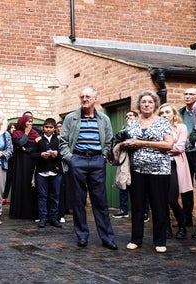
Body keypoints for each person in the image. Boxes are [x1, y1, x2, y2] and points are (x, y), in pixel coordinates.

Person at [59, 86, 117, 250]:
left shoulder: (104, 119)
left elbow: (109, 141)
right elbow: (63, 141)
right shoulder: (71, 118)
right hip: (77, 160)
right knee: (78, 201)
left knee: (100, 201)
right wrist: (71, 159)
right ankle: (82, 236)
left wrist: (104, 157)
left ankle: (107, 238)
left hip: (97, 161)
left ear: (95, 99)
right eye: (82, 97)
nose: (84, 99)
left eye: (88, 97)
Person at [121, 90, 173, 253]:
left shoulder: (163, 122)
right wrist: (125, 144)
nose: (147, 104)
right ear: (139, 105)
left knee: (159, 206)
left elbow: (168, 145)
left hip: (159, 171)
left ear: (155, 105)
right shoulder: (132, 123)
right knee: (137, 206)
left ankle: (160, 241)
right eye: (144, 102)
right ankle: (136, 239)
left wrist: (143, 143)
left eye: (150, 102)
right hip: (137, 170)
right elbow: (127, 141)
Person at [158, 103, 191, 239]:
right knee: (162, 199)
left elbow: (179, 148)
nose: (165, 115)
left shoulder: (181, 127)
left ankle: (182, 226)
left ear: (173, 114)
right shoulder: (157, 128)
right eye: (162, 113)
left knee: (172, 198)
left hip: (174, 164)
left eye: (167, 112)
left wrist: (161, 147)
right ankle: (167, 228)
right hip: (160, 165)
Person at [9, 113, 41, 220]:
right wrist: (26, 134)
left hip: (31, 163)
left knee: (29, 185)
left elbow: (37, 147)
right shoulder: (17, 133)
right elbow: (20, 142)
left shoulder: (35, 133)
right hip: (20, 163)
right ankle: (18, 212)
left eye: (31, 122)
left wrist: (26, 149)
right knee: (20, 184)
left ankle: (29, 212)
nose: (30, 124)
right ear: (23, 122)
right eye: (28, 121)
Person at [178, 87, 196, 227]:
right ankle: (187, 219)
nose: (187, 96)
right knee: (186, 187)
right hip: (184, 154)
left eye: (191, 94)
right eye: (185, 93)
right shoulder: (180, 113)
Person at [36, 118, 63, 228]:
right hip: (42, 172)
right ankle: (43, 217)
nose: (48, 129)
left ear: (54, 128)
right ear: (43, 128)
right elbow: (32, 154)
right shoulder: (39, 141)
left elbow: (65, 154)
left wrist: (57, 153)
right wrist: (40, 155)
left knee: (55, 195)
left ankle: (54, 218)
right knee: (42, 195)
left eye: (51, 127)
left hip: (56, 171)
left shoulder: (59, 141)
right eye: (46, 127)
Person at [112, 110, 138, 219]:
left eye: (131, 115)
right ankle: (123, 210)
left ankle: (143, 213)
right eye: (126, 116)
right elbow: (117, 143)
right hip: (125, 161)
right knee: (123, 184)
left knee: (139, 187)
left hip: (137, 161)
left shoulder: (140, 129)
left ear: (136, 118)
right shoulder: (123, 130)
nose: (128, 117)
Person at [56, 120, 70, 223]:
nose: (59, 128)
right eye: (57, 127)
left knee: (64, 190)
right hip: (56, 167)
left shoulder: (68, 138)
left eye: (61, 126)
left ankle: (63, 211)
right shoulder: (55, 139)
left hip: (66, 167)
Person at [2, 123, 16, 205]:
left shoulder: (16, 138)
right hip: (6, 160)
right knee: (5, 179)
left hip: (14, 161)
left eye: (14, 127)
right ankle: (3, 197)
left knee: (10, 180)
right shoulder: (6, 137)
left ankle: (6, 197)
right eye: (11, 127)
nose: (13, 129)